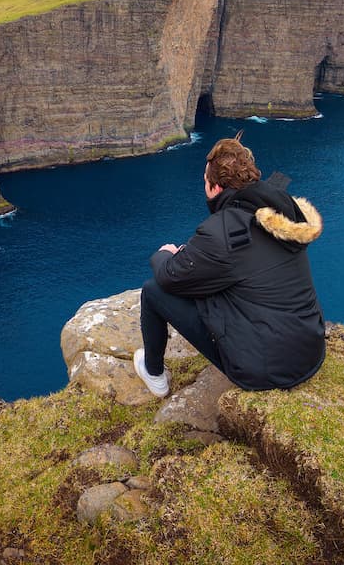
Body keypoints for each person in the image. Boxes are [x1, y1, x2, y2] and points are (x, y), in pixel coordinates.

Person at [134, 131, 325, 397]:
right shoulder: (282, 213)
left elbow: (168, 276)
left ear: (215, 187)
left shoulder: (222, 230)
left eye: (204, 181)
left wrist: (164, 254)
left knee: (153, 291)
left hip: (263, 370)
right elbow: (246, 262)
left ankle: (153, 374)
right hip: (310, 350)